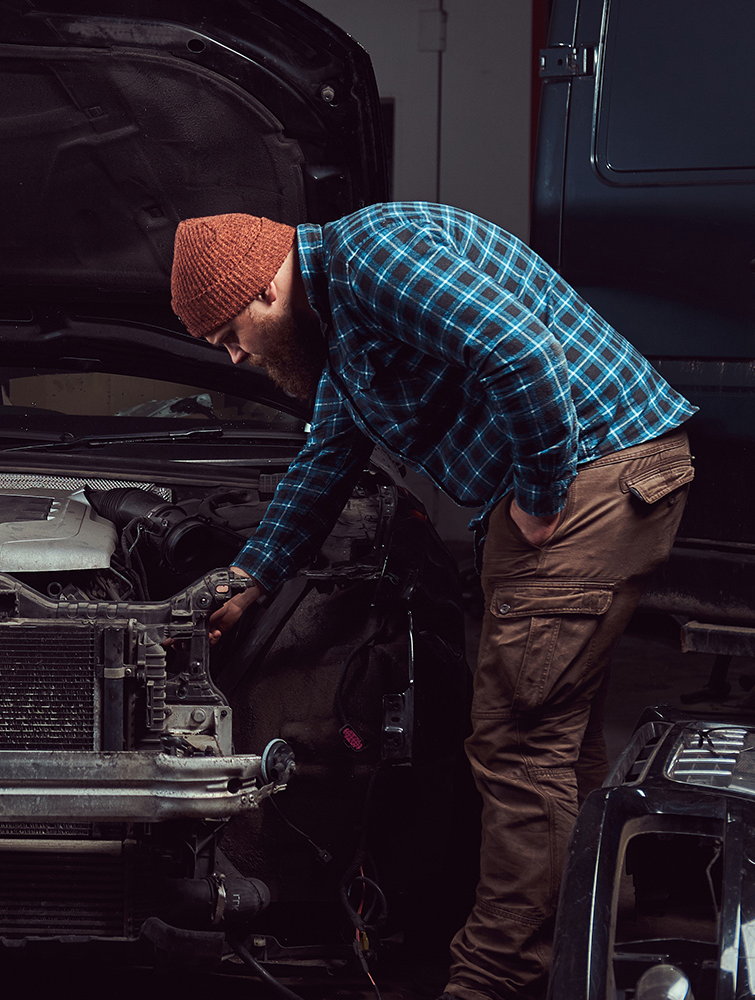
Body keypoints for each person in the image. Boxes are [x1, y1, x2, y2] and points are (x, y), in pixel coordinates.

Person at [169, 203, 695, 1000]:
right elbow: (327, 459)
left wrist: (543, 499)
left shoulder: (377, 257)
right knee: (562, 735)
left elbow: (522, 355)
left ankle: (493, 980)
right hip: (604, 471)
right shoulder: (340, 328)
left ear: (266, 291)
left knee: (518, 744)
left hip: (594, 475)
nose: (237, 358)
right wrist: (251, 579)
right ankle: (591, 944)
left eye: (229, 337)